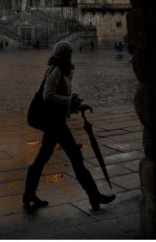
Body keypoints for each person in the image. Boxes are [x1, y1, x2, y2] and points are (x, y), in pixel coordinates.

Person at [23, 41, 115, 212]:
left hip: (55, 120)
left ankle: (29, 193)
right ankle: (94, 196)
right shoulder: (56, 70)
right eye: (69, 54)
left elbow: (60, 97)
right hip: (53, 121)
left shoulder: (63, 71)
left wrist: (76, 106)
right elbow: (48, 95)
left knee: (44, 157)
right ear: (64, 55)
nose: (71, 57)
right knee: (75, 157)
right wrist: (69, 100)